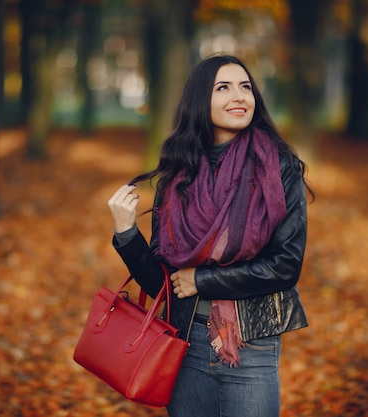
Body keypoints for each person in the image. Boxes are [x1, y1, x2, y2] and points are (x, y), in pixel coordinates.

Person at [107, 54, 312, 417]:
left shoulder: (278, 167)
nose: (240, 96)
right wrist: (127, 235)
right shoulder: (179, 174)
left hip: (250, 344)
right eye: (224, 88)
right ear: (201, 100)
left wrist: (203, 279)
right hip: (183, 342)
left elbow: (286, 265)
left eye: (246, 87)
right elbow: (164, 286)